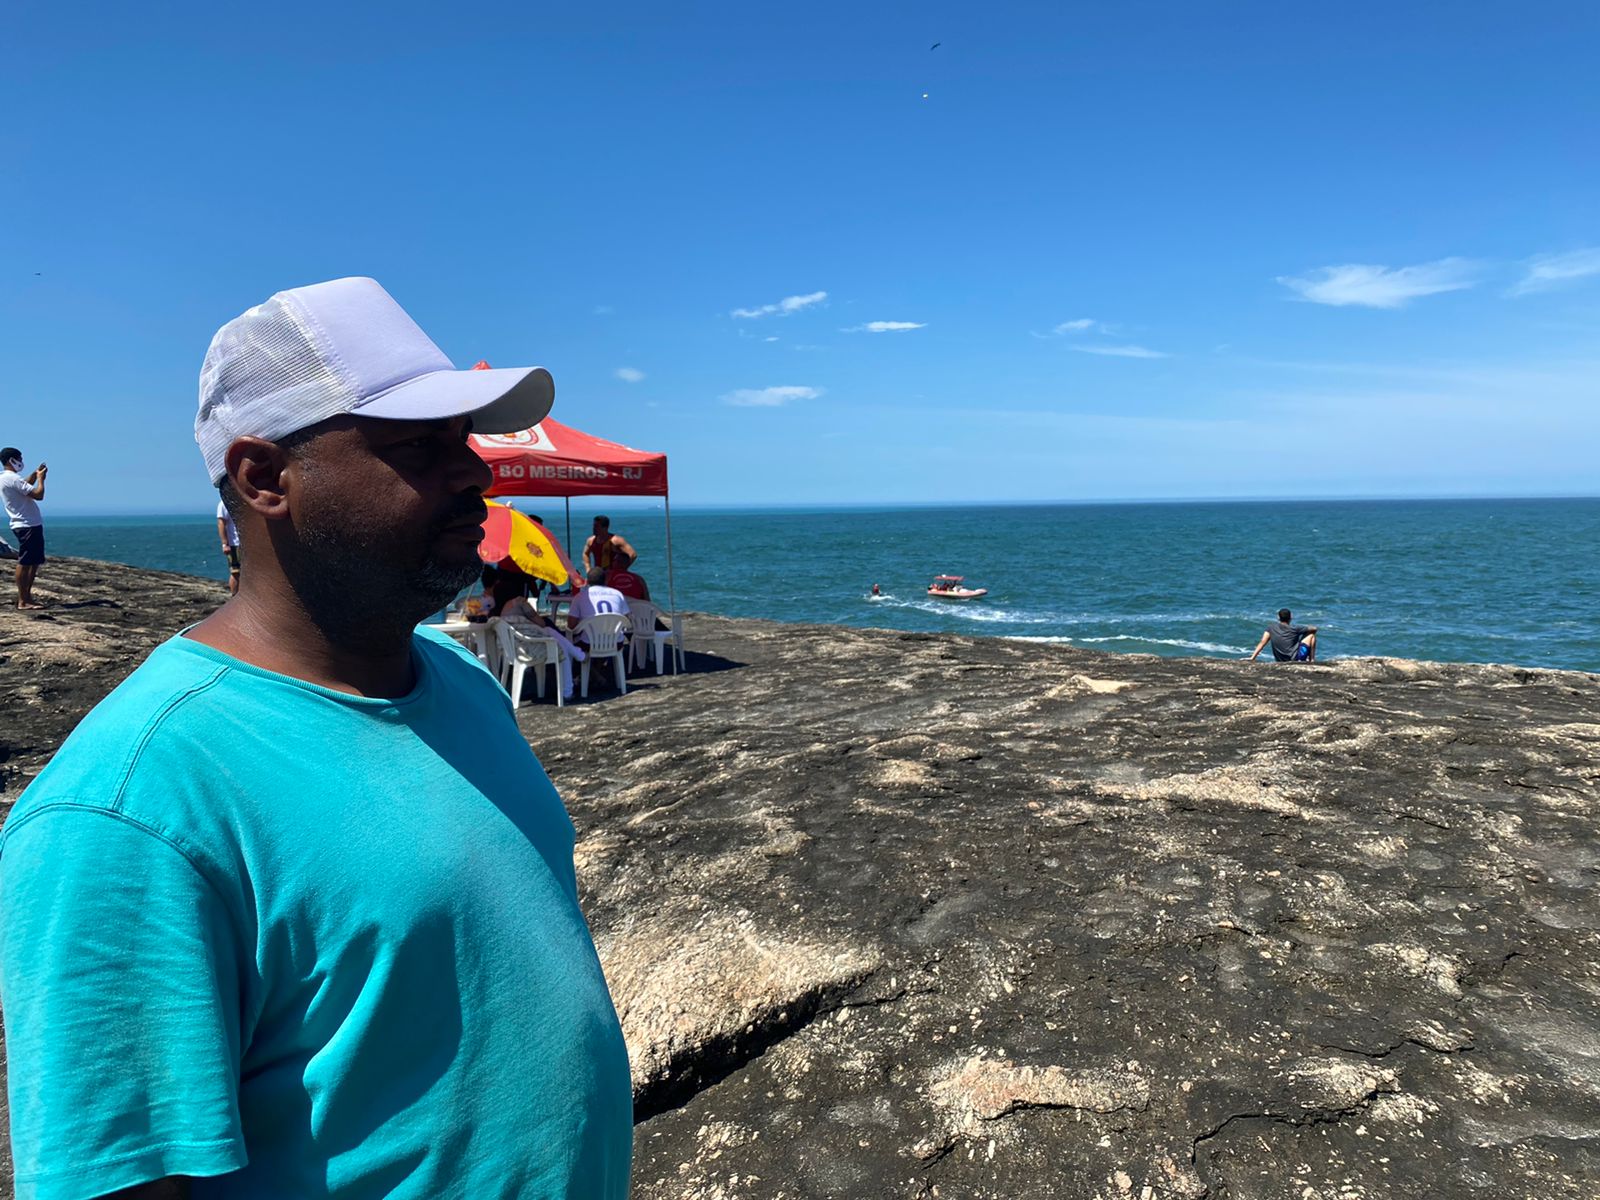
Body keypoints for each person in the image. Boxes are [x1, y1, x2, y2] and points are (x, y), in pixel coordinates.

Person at [0, 277, 632, 1199]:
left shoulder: (457, 683)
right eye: (418, 446)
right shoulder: (131, 808)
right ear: (264, 478)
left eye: (462, 440)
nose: (474, 473)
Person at [489, 571, 584, 700]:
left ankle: (576, 652)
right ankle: (567, 691)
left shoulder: (498, 612)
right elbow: (541, 623)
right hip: (531, 648)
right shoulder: (519, 602)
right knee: (560, 648)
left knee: (551, 634)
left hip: (515, 649)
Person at [0, 447, 47, 610]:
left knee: (33, 561)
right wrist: (41, 479)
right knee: (26, 561)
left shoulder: (6, 478)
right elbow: (38, 494)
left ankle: (27, 597)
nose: (21, 461)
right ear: (11, 460)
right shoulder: (13, 479)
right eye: (19, 458)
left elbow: (23, 486)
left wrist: (34, 475)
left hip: (27, 524)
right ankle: (23, 600)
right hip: (26, 524)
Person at [1249, 608, 1319, 662]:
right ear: (1290, 617)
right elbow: (1314, 628)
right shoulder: (1295, 628)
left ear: (1278, 618)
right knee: (1311, 635)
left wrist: (1252, 658)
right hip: (1295, 658)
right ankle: (1311, 660)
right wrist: (1304, 631)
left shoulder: (1271, 628)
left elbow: (1262, 642)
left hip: (1280, 659)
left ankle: (1309, 659)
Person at [216, 496, 241, 594]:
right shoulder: (224, 504)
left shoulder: (241, 502)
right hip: (234, 544)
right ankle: (234, 595)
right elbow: (221, 523)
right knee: (236, 572)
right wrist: (225, 543)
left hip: (245, 543)